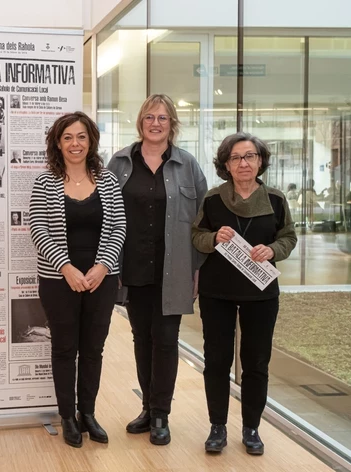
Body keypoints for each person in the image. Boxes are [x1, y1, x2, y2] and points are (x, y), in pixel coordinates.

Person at [106, 94, 207, 446]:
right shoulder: (120, 162)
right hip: (131, 267)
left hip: (173, 269)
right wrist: (111, 264)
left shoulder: (187, 165)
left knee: (165, 339)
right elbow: (107, 216)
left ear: (171, 124)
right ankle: (147, 408)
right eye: (149, 117)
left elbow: (203, 222)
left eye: (163, 118)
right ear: (140, 122)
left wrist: (197, 270)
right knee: (141, 338)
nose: (155, 123)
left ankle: (161, 413)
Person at [191, 132, 298, 456]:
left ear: (260, 160)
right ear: (226, 165)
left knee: (256, 363)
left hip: (261, 294)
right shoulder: (212, 199)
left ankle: (252, 428)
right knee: (216, 361)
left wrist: (273, 250)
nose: (243, 163)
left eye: (250, 156)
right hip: (217, 292)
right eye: (235, 158)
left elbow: (289, 237)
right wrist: (214, 238)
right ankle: (217, 426)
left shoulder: (276, 200)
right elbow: (196, 235)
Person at [29, 112, 126, 448]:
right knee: (64, 348)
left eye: (81, 136)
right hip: (59, 281)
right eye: (68, 137)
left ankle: (88, 413)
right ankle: (67, 416)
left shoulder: (108, 181)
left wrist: (103, 266)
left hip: (102, 280)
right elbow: (38, 229)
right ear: (58, 143)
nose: (75, 143)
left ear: (91, 141)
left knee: (94, 349)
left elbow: (119, 227)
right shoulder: (45, 182)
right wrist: (65, 268)